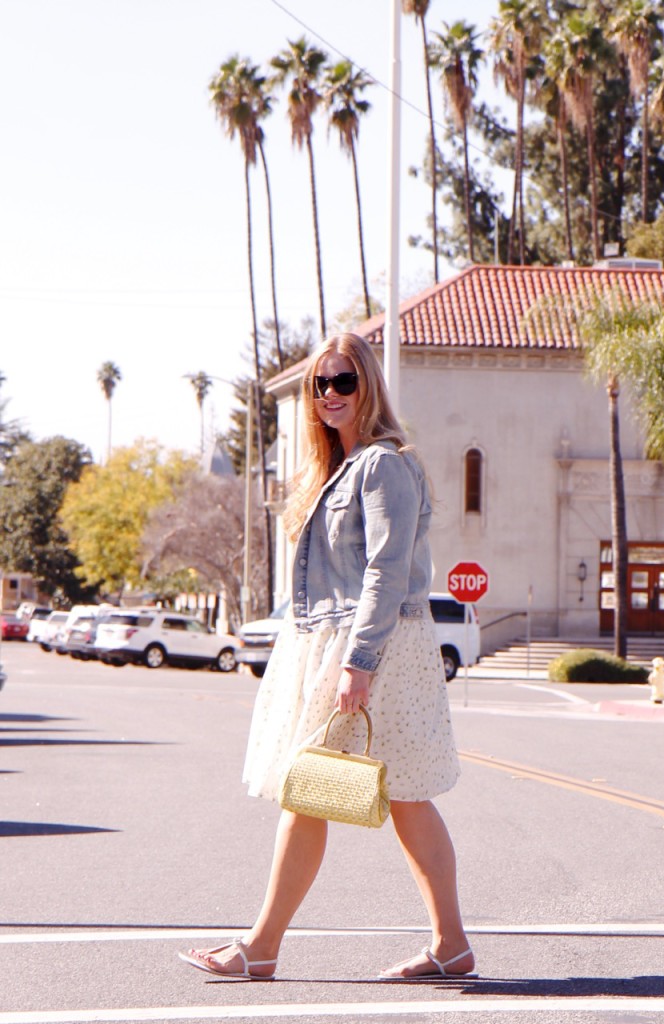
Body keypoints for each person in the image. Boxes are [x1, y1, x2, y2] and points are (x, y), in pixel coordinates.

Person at [179, 332, 474, 982]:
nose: (331, 395)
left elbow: (386, 570)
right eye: (321, 384)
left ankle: (261, 947)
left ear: (367, 386)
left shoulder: (382, 465)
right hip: (334, 641)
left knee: (319, 789)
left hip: (375, 648)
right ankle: (450, 946)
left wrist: (359, 663)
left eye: (344, 382)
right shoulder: (333, 470)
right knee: (394, 797)